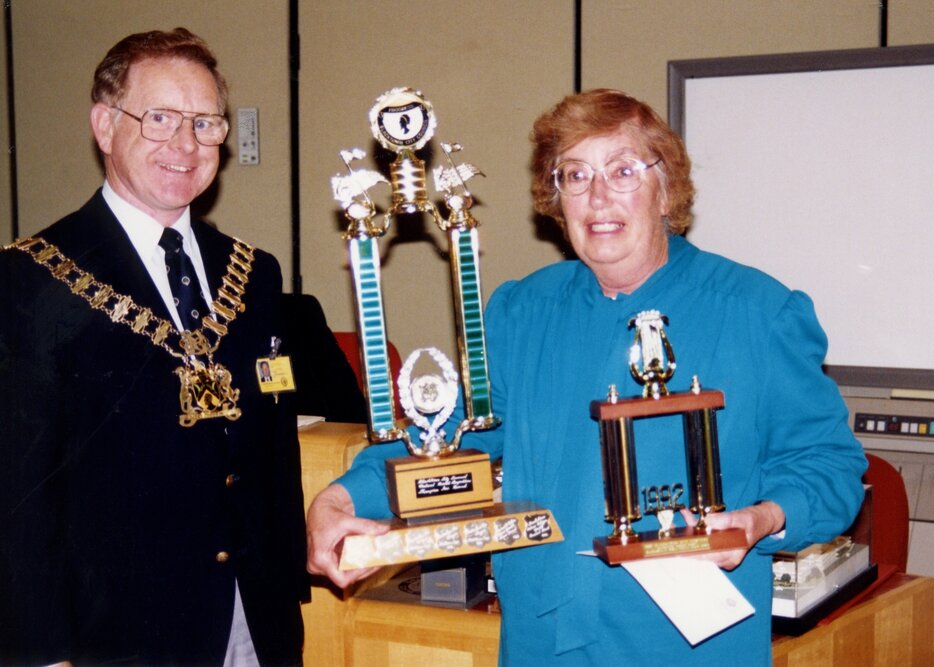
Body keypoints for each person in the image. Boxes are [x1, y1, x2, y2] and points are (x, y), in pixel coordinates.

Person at [306, 89, 868, 665]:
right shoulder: (520, 313)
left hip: (687, 648)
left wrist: (763, 519)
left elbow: (830, 466)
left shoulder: (758, 312)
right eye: (575, 175)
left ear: (666, 188)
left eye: (623, 170)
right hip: (540, 640)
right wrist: (344, 496)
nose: (598, 196)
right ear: (557, 198)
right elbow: (448, 437)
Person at [0, 28, 309, 665]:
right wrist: (39, 651)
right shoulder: (33, 278)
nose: (185, 144)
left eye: (206, 123)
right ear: (105, 124)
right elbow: (17, 489)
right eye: (160, 118)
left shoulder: (254, 274)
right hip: (112, 635)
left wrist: (287, 589)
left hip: (253, 618)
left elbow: (274, 453)